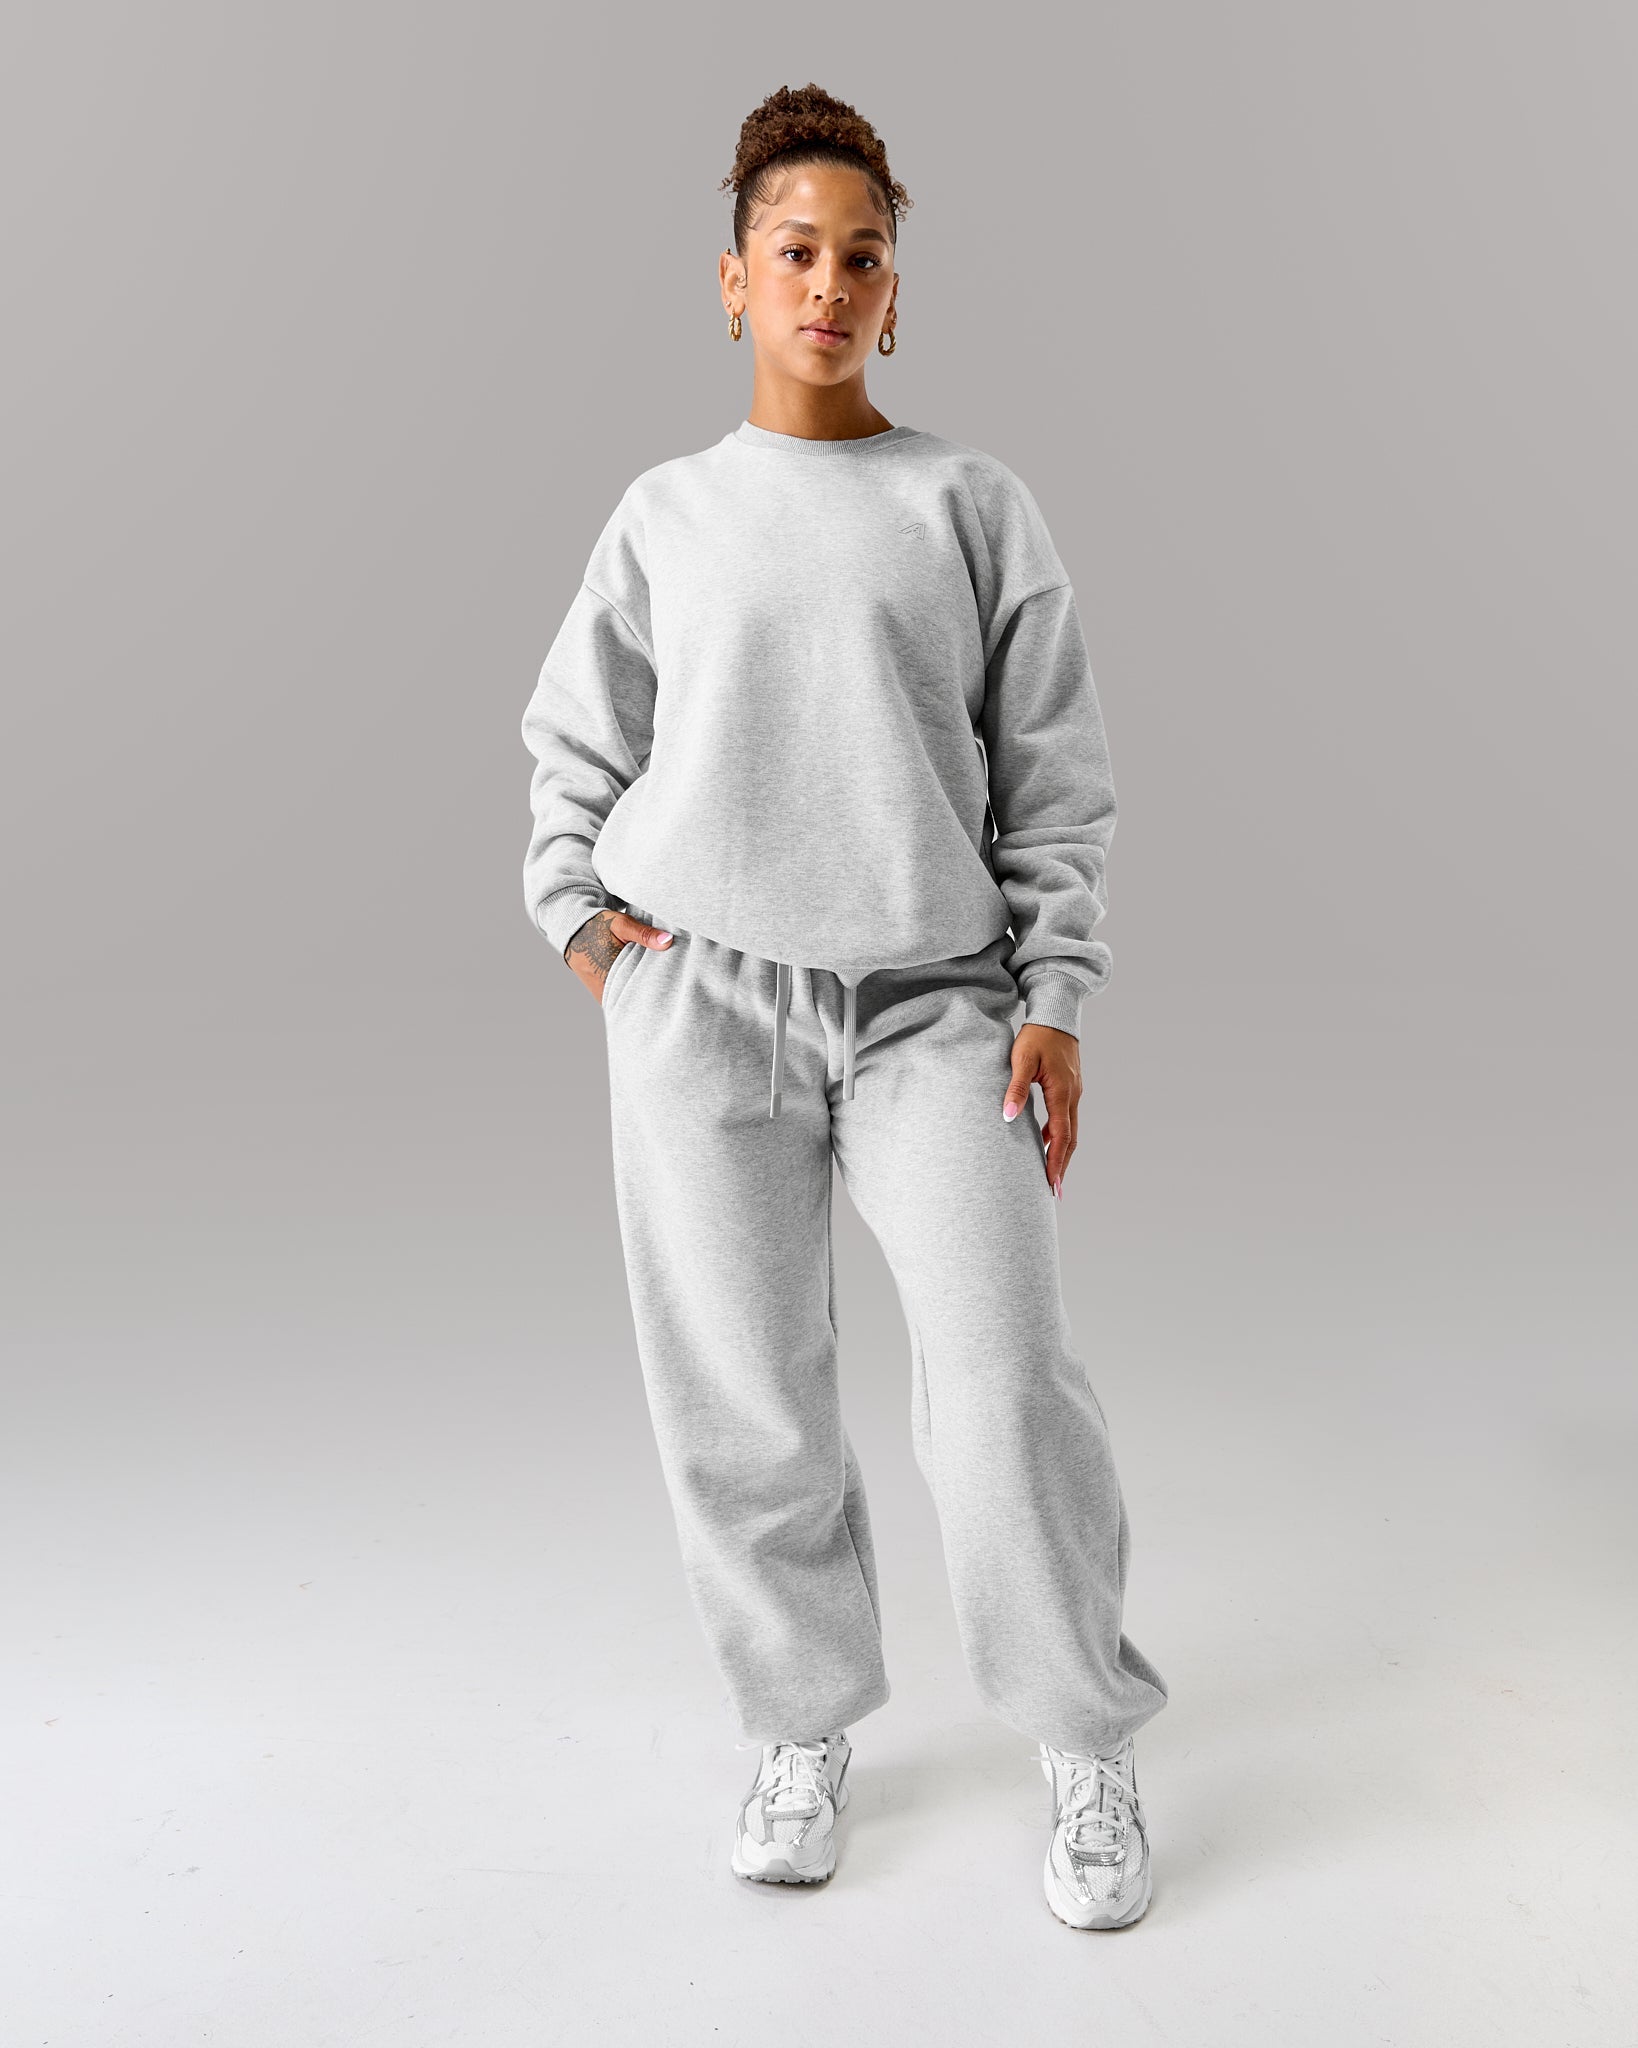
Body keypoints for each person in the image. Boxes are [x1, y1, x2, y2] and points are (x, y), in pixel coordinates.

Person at [519, 82, 1169, 1930]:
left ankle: (1082, 1735)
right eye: (793, 252)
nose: (827, 284)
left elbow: (1053, 777)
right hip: (703, 1004)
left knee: (1002, 1380)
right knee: (742, 1398)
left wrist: (1054, 992)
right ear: (732, 281)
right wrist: (583, 929)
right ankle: (798, 1729)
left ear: (897, 290)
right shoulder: (666, 515)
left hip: (932, 1006)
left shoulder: (970, 503)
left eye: (860, 256)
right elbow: (573, 745)